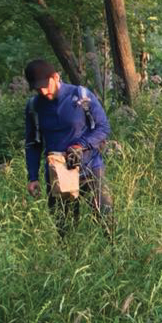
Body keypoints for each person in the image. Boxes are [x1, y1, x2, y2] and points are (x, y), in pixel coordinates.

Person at [23, 59, 112, 232]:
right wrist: (32, 176)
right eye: (37, 87)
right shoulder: (34, 106)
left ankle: (115, 252)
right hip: (57, 172)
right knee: (64, 226)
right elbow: (33, 143)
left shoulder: (81, 96)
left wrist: (81, 145)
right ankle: (69, 255)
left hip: (90, 168)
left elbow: (103, 127)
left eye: (45, 85)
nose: (42, 90)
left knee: (105, 219)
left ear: (56, 77)